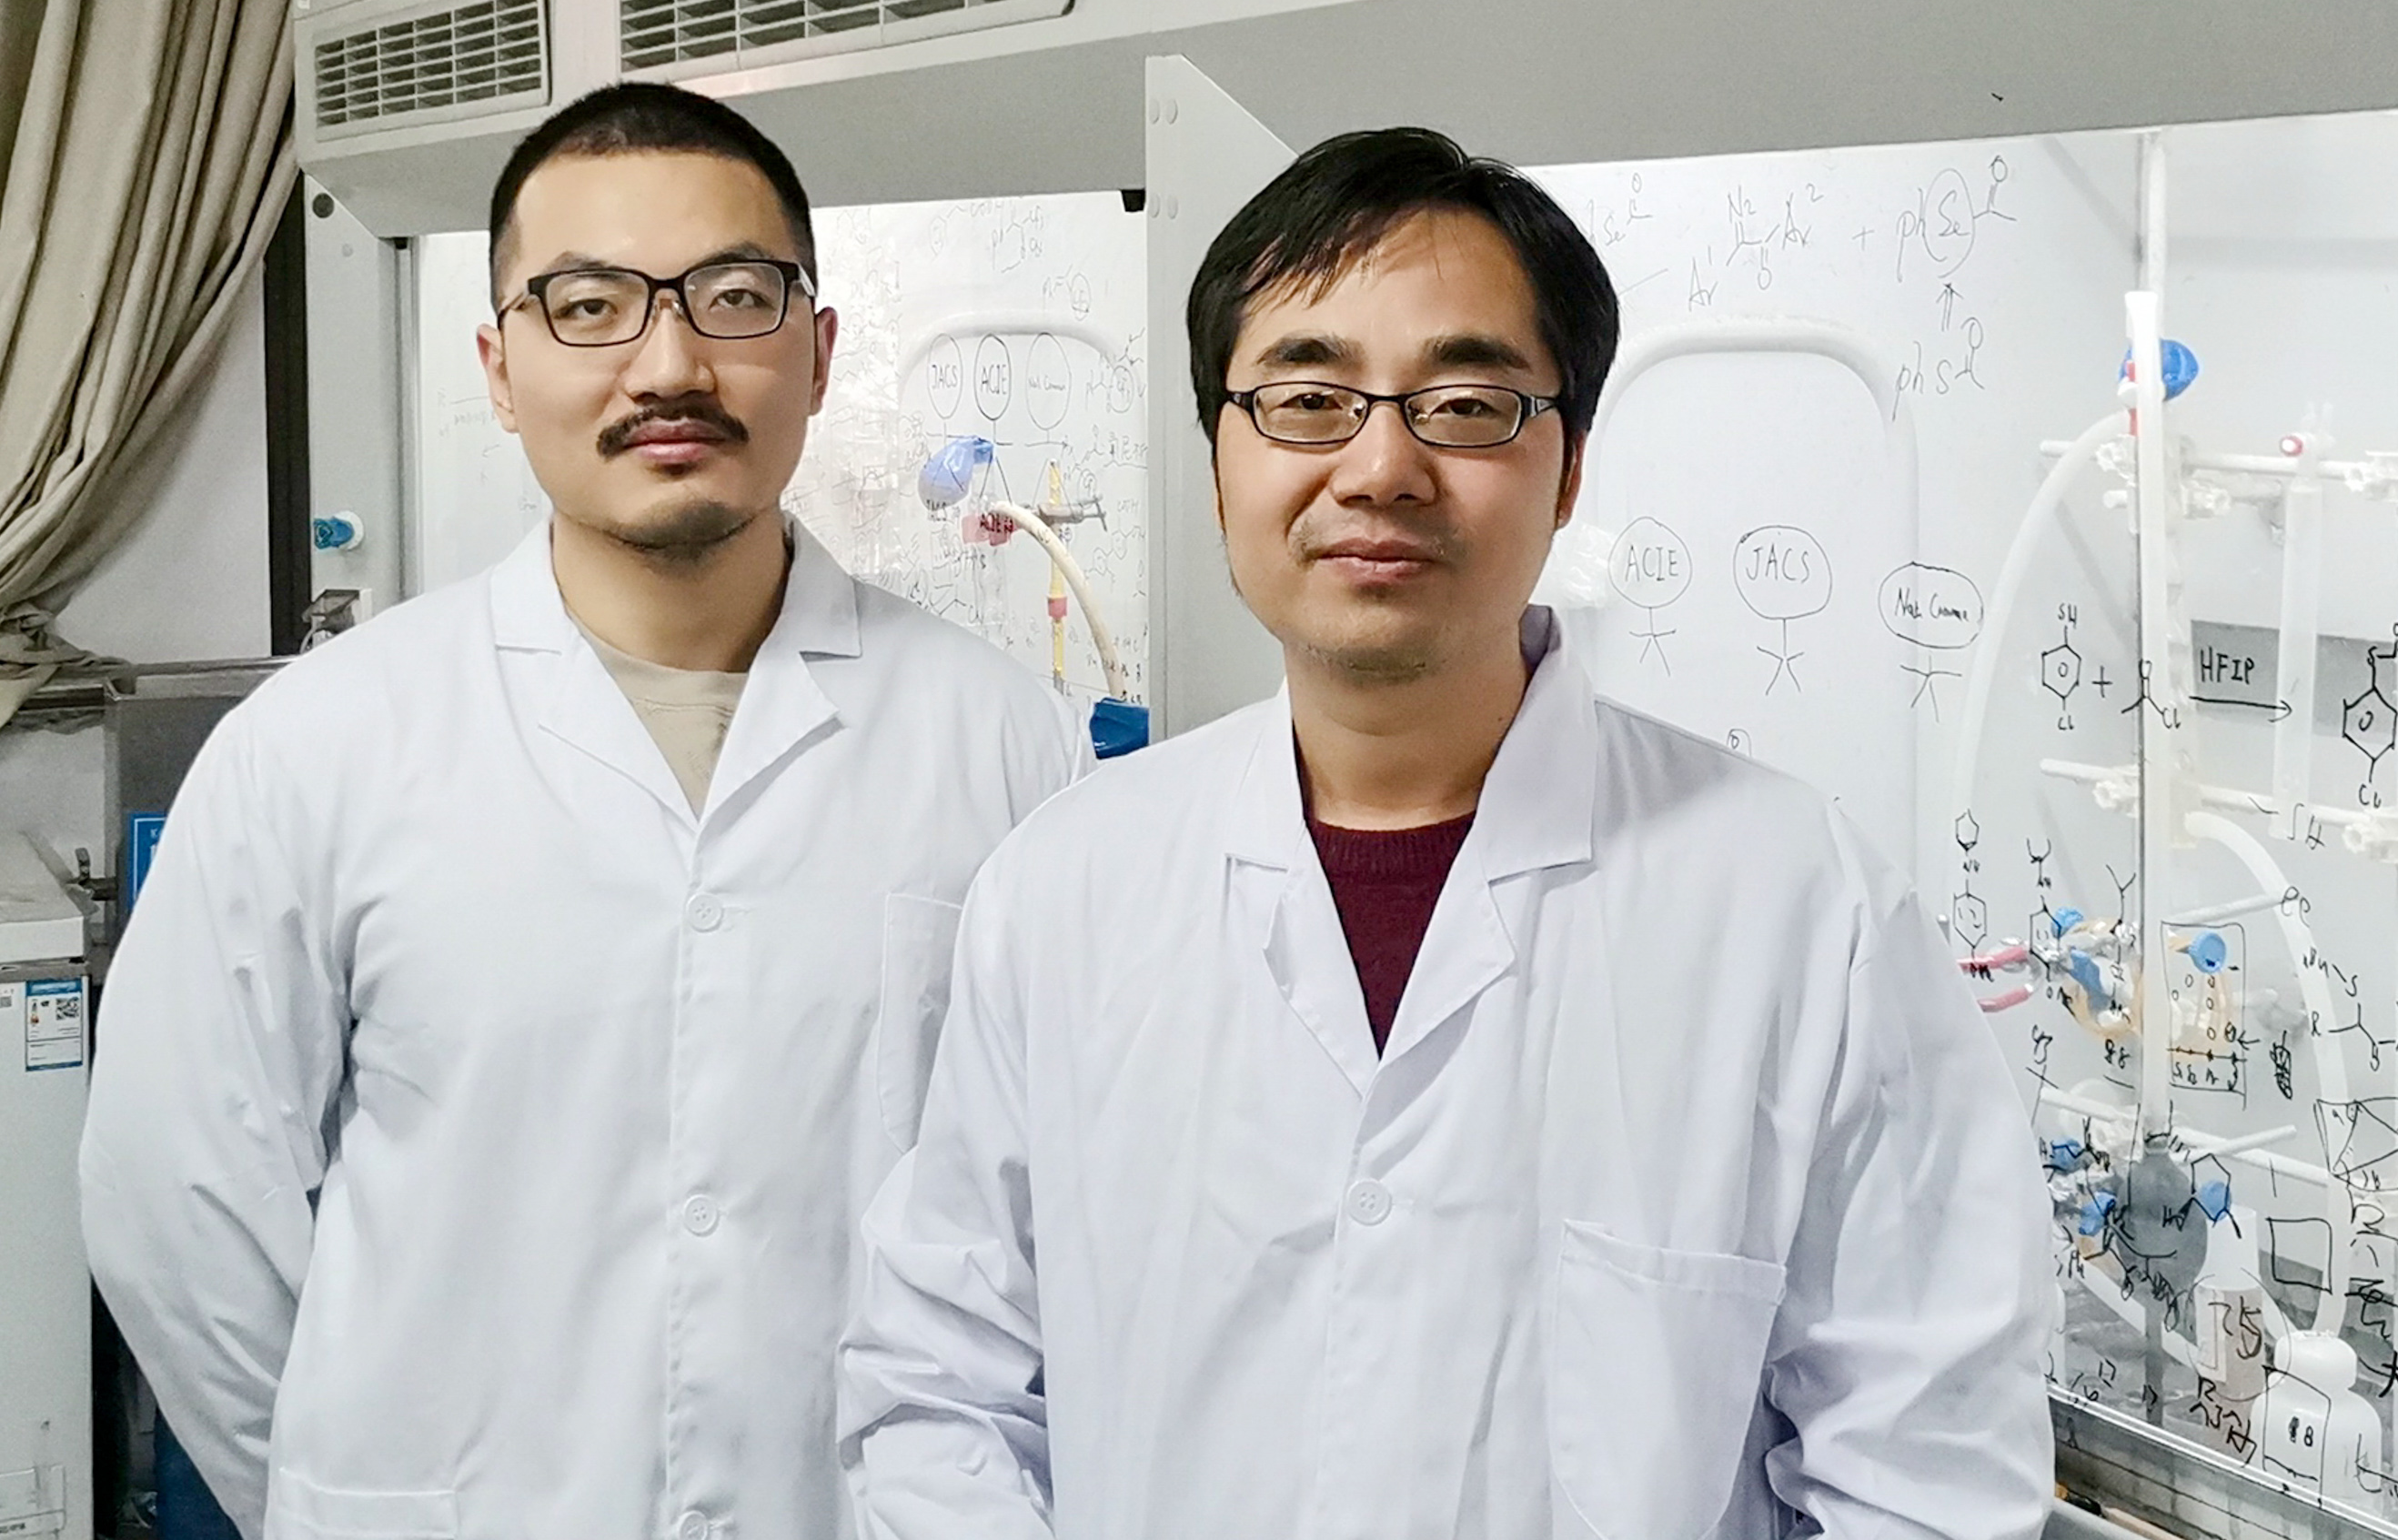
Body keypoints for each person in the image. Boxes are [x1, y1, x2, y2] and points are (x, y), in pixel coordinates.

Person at [839, 127, 2052, 1538]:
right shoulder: (1065, 886)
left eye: (1466, 405)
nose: (1380, 467)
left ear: (1570, 468)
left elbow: (1926, 1474)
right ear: (1220, 460)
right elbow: (940, 1389)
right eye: (1307, 399)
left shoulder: (1799, 908)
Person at [82, 83, 1089, 1540]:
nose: (668, 365)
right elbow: (179, 1205)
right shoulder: (318, 747)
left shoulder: (1009, 748)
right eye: (589, 306)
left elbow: (1044, 1224)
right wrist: (345, 1496)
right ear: (501, 369)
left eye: (734, 298)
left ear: (817, 354)